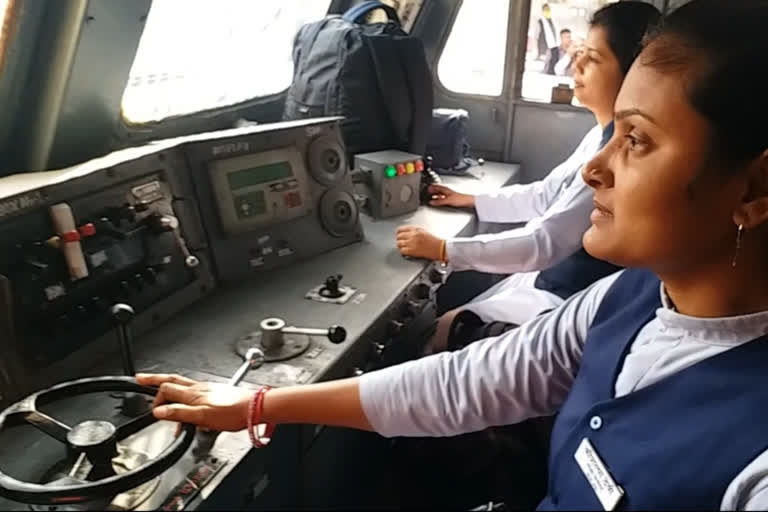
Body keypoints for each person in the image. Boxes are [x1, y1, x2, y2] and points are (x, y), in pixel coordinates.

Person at [138, 0, 768, 508]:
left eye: (636, 141)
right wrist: (257, 402)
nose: (597, 169)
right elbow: (472, 380)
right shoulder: (631, 295)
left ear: (755, 188)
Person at [398, 2, 661, 351]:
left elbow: (545, 243)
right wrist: (474, 200)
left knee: (440, 331)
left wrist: (446, 249)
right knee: (442, 319)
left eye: (593, 59)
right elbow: (545, 194)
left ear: (631, 76)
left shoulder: (614, 157)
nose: (575, 64)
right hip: (547, 278)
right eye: (580, 53)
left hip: (565, 293)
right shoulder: (597, 133)